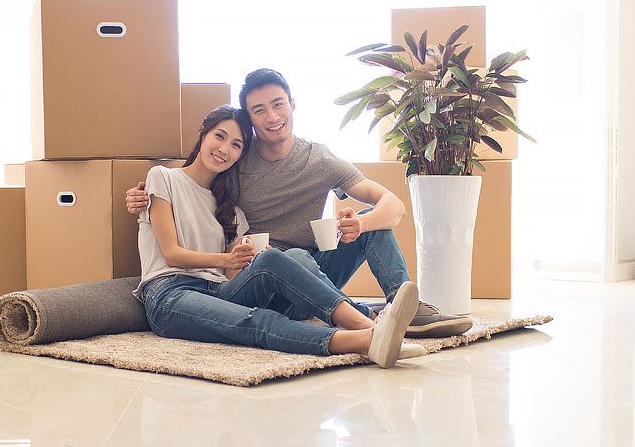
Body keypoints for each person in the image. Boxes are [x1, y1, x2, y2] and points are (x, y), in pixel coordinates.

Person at [128, 68, 473, 337]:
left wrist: (361, 224)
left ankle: (404, 308)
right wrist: (142, 196)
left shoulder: (319, 160)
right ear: (250, 121)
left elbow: (393, 205)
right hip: (265, 279)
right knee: (290, 257)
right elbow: (193, 178)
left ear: (292, 105)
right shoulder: (236, 159)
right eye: (259, 110)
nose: (272, 116)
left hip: (317, 271)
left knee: (372, 222)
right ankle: (366, 316)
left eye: (278, 104)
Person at [135, 104, 421, 367]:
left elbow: (229, 274)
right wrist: (228, 256)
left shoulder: (230, 208)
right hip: (170, 292)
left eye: (235, 145)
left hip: (218, 290)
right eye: (219, 137)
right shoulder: (163, 177)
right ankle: (368, 336)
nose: (224, 149)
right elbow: (172, 254)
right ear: (203, 134)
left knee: (272, 258)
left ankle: (374, 325)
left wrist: (245, 260)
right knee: (257, 321)